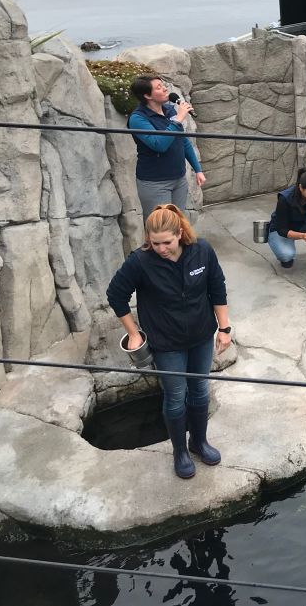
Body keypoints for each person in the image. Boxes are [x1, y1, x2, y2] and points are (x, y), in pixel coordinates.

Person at [106, 204, 232, 479]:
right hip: (166, 342)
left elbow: (217, 287)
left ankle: (198, 442)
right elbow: (116, 295)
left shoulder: (202, 251)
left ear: (180, 233)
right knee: (176, 396)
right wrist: (135, 333)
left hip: (200, 335)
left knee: (199, 390)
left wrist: (224, 328)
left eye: (166, 242)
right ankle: (180, 452)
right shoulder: (140, 261)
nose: (161, 248)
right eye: (154, 243)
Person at [128, 74, 205, 223]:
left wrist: (198, 169)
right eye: (158, 87)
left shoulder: (169, 110)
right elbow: (159, 145)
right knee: (161, 226)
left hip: (178, 179)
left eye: (163, 85)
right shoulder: (138, 119)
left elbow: (182, 142)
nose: (164, 89)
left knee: (178, 224)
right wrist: (177, 120)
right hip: (155, 183)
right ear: (147, 95)